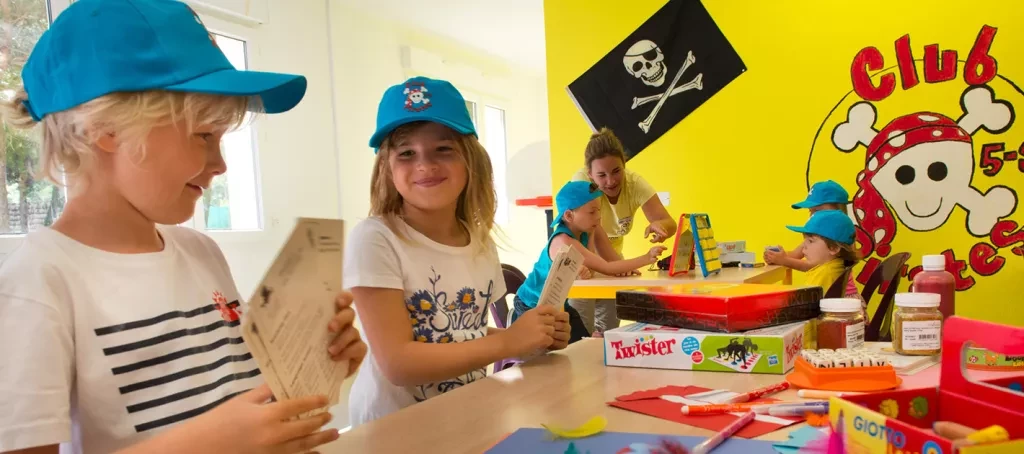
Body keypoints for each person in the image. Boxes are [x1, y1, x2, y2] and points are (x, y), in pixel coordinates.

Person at [0, 1, 366, 453]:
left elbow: (237, 397)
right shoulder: (38, 285)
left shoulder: (200, 252)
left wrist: (318, 360)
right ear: (106, 128)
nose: (221, 165)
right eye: (204, 135)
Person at [344, 76, 572, 427]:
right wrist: (511, 341)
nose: (425, 164)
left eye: (443, 149)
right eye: (407, 153)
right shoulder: (375, 239)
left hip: (463, 417)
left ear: (470, 161)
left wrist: (532, 338)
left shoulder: (480, 244)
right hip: (393, 432)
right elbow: (398, 363)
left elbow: (466, 334)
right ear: (387, 169)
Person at [510, 181, 665, 342]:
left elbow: (594, 268)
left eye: (599, 210)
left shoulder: (584, 232)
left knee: (582, 340)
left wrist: (591, 235)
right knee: (566, 344)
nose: (598, 216)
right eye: (592, 212)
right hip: (532, 305)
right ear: (569, 216)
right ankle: (514, 324)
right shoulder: (563, 241)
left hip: (559, 304)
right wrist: (646, 258)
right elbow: (606, 267)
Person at [569, 128, 676, 334]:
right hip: (584, 262)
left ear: (624, 166)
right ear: (590, 175)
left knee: (606, 333)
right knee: (580, 333)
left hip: (612, 262)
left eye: (617, 171)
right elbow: (595, 238)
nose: (611, 181)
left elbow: (668, 222)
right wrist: (619, 266)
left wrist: (660, 226)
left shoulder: (635, 183)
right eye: (601, 175)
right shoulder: (581, 185)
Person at [765, 180, 862, 302]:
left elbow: (813, 266)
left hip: (838, 302)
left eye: (817, 211)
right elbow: (796, 255)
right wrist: (775, 256)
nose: (812, 216)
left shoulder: (836, 236)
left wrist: (784, 260)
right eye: (810, 211)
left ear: (838, 209)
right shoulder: (816, 237)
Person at [784, 210, 863, 299]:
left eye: (810, 241)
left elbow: (812, 305)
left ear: (833, 248)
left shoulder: (827, 273)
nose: (804, 246)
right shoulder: (835, 263)